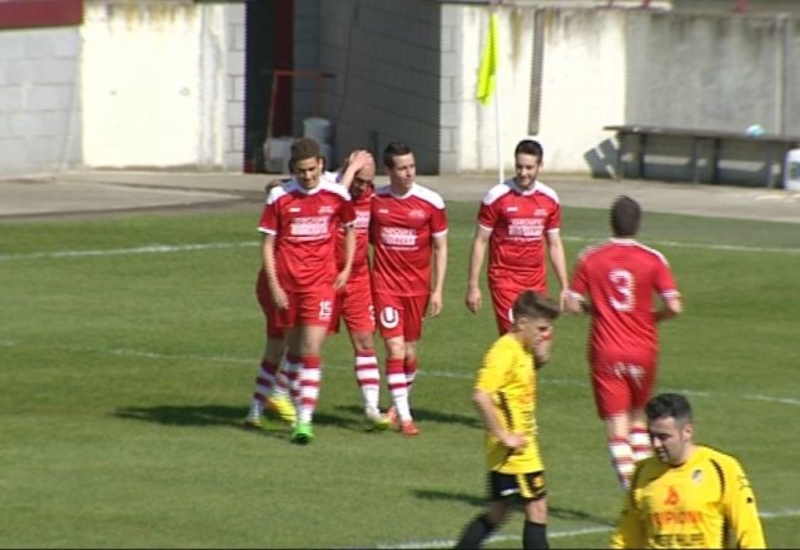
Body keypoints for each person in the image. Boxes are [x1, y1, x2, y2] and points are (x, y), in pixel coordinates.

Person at [565, 195, 683, 488]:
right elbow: (675, 306)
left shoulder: (591, 257)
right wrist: (654, 317)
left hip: (606, 350)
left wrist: (596, 309)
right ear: (638, 224)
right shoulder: (653, 259)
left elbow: (570, 303)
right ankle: (649, 488)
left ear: (611, 222)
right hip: (643, 349)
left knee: (617, 427)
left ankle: (634, 493)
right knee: (639, 421)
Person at [254, 137, 356, 444]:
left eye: (312, 169)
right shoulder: (279, 197)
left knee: (312, 348)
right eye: (301, 171)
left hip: (321, 284)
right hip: (287, 284)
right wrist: (273, 285)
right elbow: (268, 243)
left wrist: (346, 267)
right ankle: (261, 407)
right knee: (291, 349)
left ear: (321, 165)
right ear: (293, 170)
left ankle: (304, 421)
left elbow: (350, 228)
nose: (307, 176)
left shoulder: (337, 195)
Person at [454, 290, 561, 550]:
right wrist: (504, 436)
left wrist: (543, 348)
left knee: (497, 513)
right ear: (522, 323)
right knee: (537, 510)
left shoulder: (522, 348)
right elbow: (481, 396)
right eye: (541, 328)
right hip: (516, 451)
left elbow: (525, 375)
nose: (544, 334)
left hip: (515, 447)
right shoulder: (504, 351)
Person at [611, 392, 767, 549]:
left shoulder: (722, 468)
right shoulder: (641, 473)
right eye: (651, 436)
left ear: (687, 432)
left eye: (663, 437)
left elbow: (749, 533)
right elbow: (626, 539)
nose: (656, 444)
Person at [369, 140, 448, 436]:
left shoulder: (431, 202)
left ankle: (395, 405)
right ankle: (405, 417)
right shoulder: (375, 201)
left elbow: (441, 247)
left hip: (417, 289)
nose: (408, 173)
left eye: (411, 166)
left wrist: (437, 290)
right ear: (388, 170)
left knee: (410, 351)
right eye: (401, 168)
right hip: (385, 286)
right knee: (395, 347)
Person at [465, 139, 569, 335]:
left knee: (537, 341)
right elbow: (480, 241)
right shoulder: (497, 197)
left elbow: (554, 244)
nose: (523, 172)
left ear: (540, 166)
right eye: (519, 166)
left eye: (529, 167)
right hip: (505, 279)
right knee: (514, 337)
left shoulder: (549, 199)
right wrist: (473, 286)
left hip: (536, 280)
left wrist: (564, 286)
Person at [328, 149, 391, 430]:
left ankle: (371, 407)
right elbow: (332, 203)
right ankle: (282, 395)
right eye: (358, 180)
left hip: (357, 279)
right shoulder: (329, 186)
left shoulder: (371, 198)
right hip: (325, 277)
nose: (362, 187)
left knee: (365, 340)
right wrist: (350, 172)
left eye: (367, 182)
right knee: (308, 342)